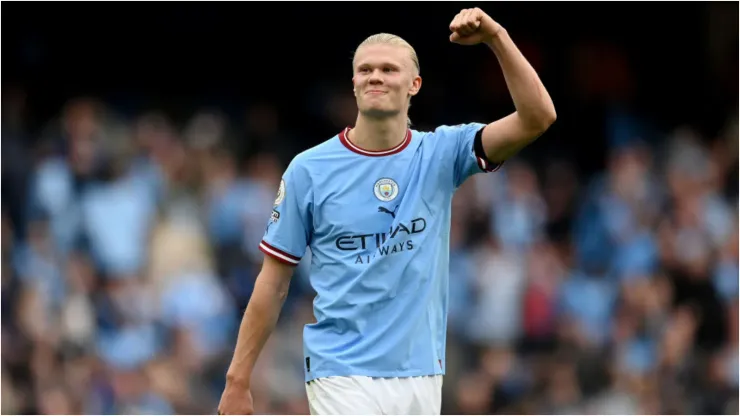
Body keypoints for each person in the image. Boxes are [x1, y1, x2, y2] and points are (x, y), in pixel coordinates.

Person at [218, 7, 556, 415]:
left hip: (421, 372)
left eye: (388, 69)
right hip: (339, 370)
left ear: (415, 84)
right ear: (354, 84)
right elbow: (272, 284)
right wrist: (238, 379)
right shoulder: (309, 170)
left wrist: (496, 37)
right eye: (365, 70)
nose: (375, 76)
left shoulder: (441, 153)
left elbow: (538, 117)